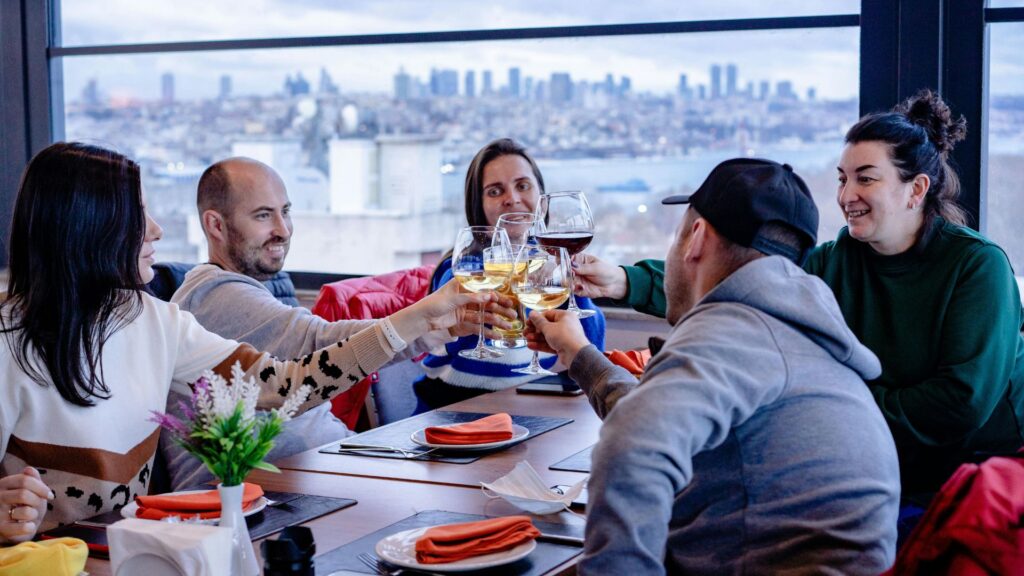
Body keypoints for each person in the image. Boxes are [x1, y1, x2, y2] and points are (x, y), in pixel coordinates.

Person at [0, 142, 493, 543]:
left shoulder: (155, 320)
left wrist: (417, 320)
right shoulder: (6, 343)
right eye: (137, 214)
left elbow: (287, 382)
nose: (156, 229)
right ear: (86, 228)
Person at [574, 90, 1024, 495]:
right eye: (842, 178)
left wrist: (838, 405)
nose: (847, 194)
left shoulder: (978, 266)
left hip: (979, 482)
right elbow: (743, 278)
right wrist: (624, 281)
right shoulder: (836, 259)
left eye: (865, 178)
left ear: (916, 189)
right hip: (877, 465)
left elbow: (958, 405)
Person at [526, 158, 900, 574]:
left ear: (697, 237)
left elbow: (630, 443)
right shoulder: (797, 331)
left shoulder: (732, 327)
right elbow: (649, 419)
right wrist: (580, 356)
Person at [159, 158, 511, 491]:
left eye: (286, 212)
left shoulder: (248, 290)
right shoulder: (214, 294)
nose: (282, 230)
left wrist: (438, 329)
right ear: (215, 225)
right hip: (257, 495)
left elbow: (333, 355)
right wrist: (427, 316)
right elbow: (322, 345)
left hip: (317, 473)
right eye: (263, 216)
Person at [415, 138, 605, 411]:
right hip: (453, 415)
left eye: (523, 186)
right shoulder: (465, 268)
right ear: (478, 204)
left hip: (532, 412)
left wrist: (574, 282)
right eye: (495, 191)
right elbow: (469, 332)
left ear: (541, 196)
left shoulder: (549, 265)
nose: (512, 199)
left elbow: (593, 347)